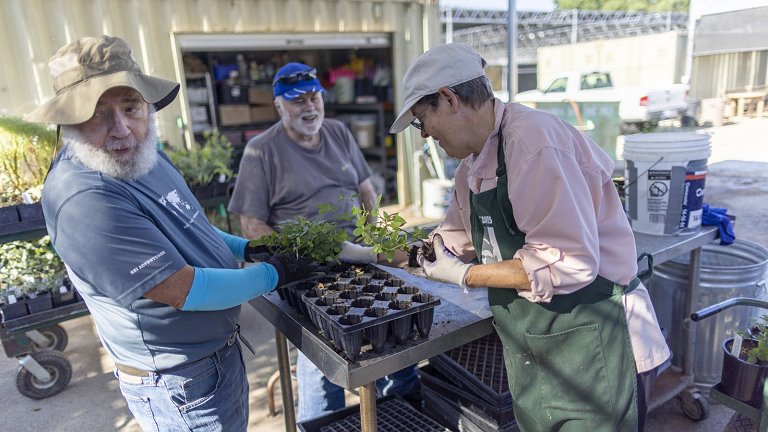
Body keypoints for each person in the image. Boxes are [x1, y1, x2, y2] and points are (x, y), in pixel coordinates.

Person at [26, 35, 313, 432]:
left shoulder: (144, 154)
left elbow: (188, 222)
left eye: (131, 107)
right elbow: (182, 289)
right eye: (98, 113)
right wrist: (274, 273)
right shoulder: (83, 198)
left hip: (214, 356)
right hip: (179, 384)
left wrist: (248, 247)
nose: (122, 129)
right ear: (69, 120)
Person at [391, 43, 670, 432]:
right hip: (542, 348)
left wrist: (465, 276)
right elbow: (450, 241)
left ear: (449, 99)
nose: (424, 136)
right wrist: (375, 253)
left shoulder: (533, 144)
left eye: (422, 122)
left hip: (600, 346)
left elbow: (568, 262)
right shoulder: (471, 168)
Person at [228, 62, 419, 422]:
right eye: (298, 101)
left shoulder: (338, 133)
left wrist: (372, 234)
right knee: (323, 358)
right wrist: (297, 256)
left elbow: (366, 190)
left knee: (397, 334)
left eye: (315, 97)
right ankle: (320, 421)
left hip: (358, 254)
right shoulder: (261, 150)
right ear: (279, 106)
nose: (310, 107)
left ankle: (401, 411)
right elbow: (251, 224)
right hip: (306, 267)